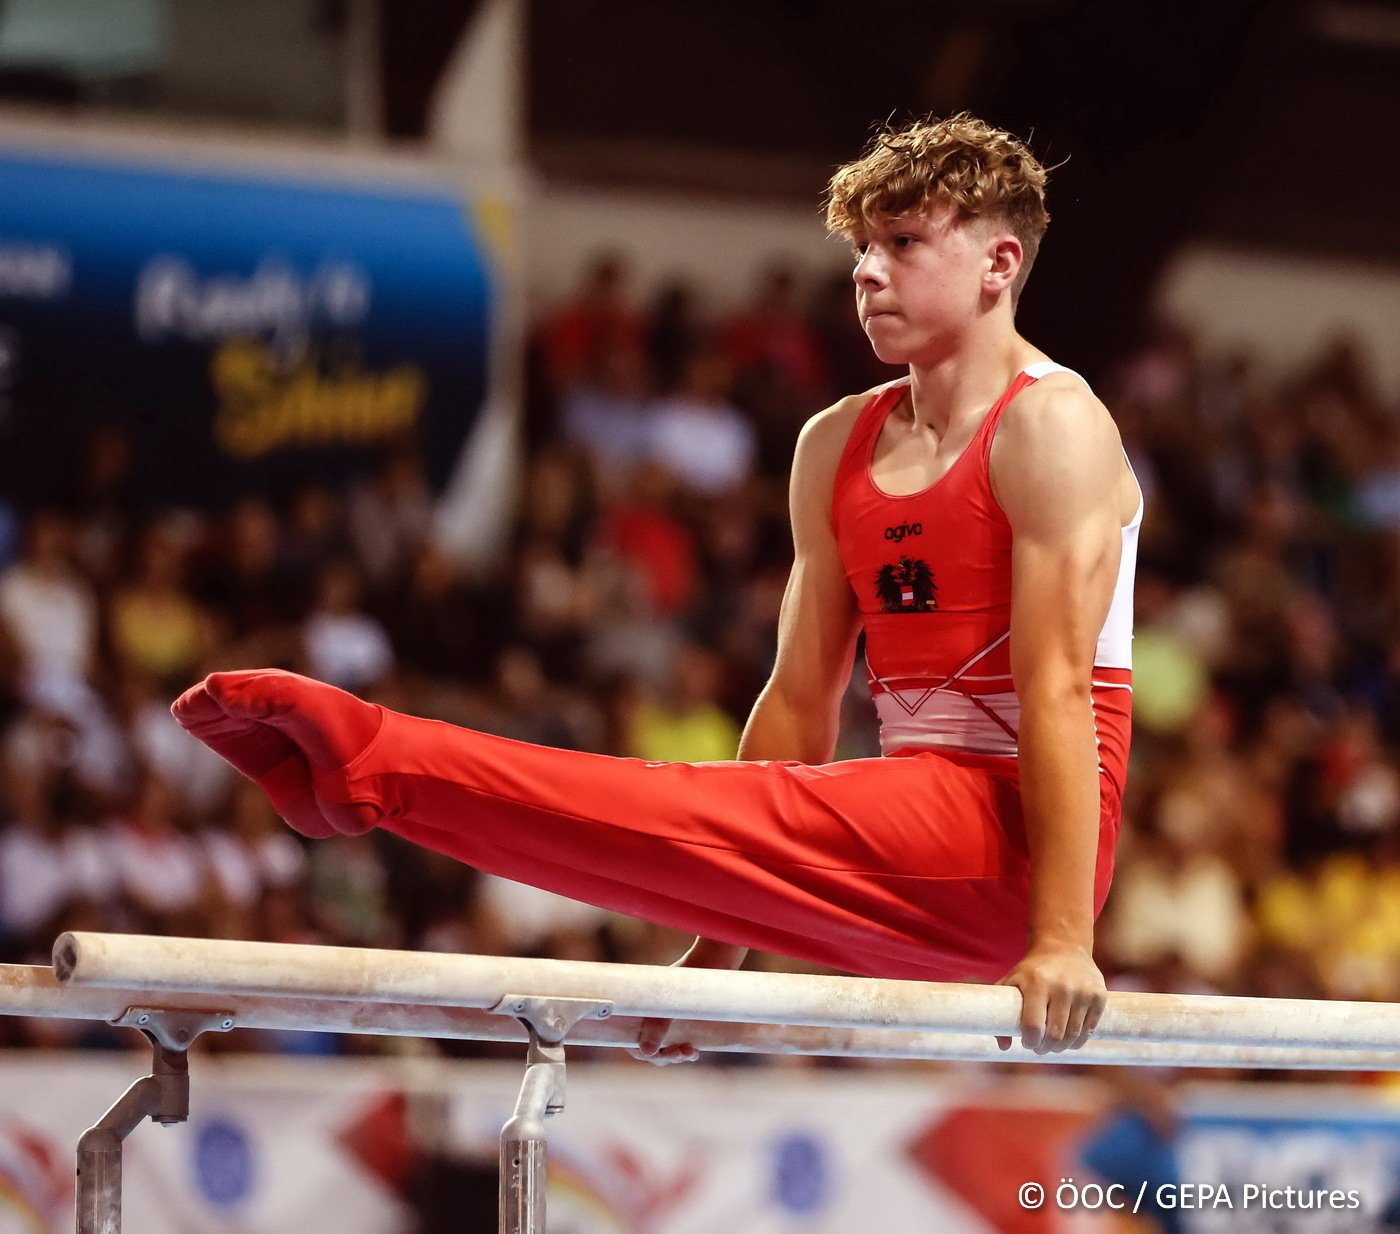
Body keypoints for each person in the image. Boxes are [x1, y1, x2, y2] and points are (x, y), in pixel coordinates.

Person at [173, 113, 1141, 1060]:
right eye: (858, 246)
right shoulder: (831, 443)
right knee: (695, 802)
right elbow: (798, 700)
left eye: (900, 241)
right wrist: (715, 948)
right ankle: (372, 783)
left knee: (664, 802)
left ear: (998, 265)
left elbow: (1054, 687)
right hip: (898, 853)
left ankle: (375, 763)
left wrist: (1059, 937)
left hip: (1022, 851)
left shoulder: (1049, 428)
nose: (865, 269)